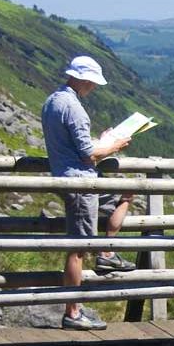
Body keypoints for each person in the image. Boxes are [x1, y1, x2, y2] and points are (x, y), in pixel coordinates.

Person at [42, 56, 137, 331]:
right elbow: (88, 154)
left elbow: (75, 144)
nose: (93, 88)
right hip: (81, 183)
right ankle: (72, 311)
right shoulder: (74, 107)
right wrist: (114, 145)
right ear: (82, 79)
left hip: (68, 177)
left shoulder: (53, 100)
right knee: (78, 248)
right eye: (92, 83)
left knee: (123, 193)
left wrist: (100, 140)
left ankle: (106, 253)